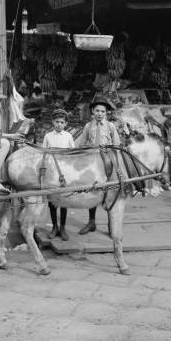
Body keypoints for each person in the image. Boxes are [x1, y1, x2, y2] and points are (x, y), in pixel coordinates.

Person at [74, 98, 121, 234]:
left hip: (107, 162)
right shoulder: (88, 126)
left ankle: (111, 224)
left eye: (103, 111)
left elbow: (117, 145)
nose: (100, 114)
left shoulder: (110, 126)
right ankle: (91, 222)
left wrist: (109, 150)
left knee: (109, 191)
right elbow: (82, 144)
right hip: (93, 163)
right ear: (93, 112)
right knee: (93, 189)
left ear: (106, 113)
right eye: (97, 111)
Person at [42, 108, 75, 241]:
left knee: (64, 199)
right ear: (52, 122)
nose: (59, 124)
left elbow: (72, 154)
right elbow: (43, 153)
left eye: (62, 122)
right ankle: (54, 227)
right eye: (57, 122)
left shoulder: (68, 136)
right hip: (51, 171)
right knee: (52, 201)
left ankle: (63, 228)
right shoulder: (48, 136)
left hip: (64, 172)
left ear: (65, 123)